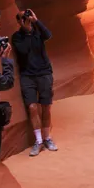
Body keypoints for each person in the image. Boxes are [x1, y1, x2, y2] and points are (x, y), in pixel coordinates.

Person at [11, 9, 57, 157]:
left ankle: (47, 138)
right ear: (18, 21)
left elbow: (48, 35)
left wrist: (36, 21)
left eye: (26, 16)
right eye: (21, 18)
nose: (25, 19)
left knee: (46, 107)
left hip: (44, 73)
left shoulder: (38, 31)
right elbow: (24, 50)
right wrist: (26, 31)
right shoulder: (17, 37)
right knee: (32, 107)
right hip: (28, 76)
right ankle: (38, 141)